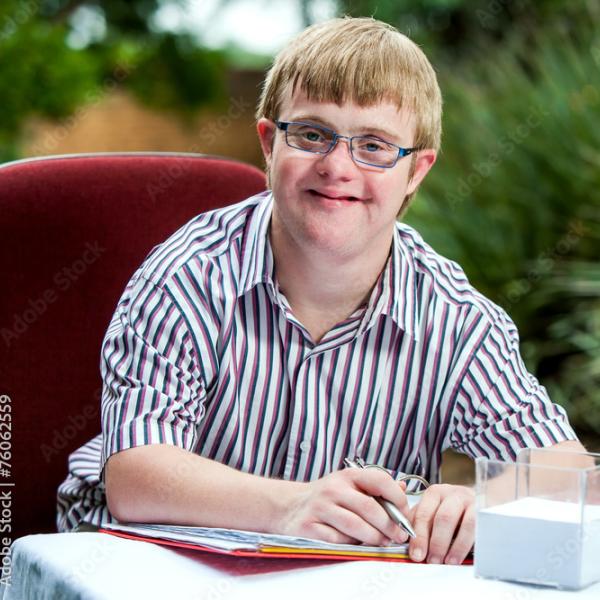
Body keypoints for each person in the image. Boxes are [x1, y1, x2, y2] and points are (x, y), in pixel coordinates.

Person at [57, 16, 585, 565]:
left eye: (375, 146)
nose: (337, 167)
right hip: (136, 566)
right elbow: (137, 476)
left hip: (333, 581)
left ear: (417, 171)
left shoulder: (455, 320)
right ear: (269, 143)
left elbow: (571, 481)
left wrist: (482, 502)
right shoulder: (189, 275)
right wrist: (292, 506)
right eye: (312, 134)